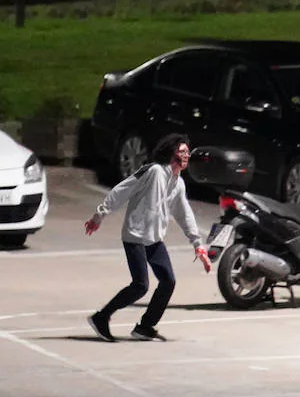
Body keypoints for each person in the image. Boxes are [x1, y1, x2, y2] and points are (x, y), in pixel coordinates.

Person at [84, 134, 211, 342]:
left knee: (168, 281)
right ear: (170, 153)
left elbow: (184, 213)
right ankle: (101, 318)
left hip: (154, 240)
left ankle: (145, 327)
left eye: (188, 151)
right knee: (140, 285)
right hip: (135, 235)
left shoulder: (178, 183)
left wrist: (198, 244)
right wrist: (99, 216)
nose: (187, 155)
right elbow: (121, 190)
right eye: (182, 151)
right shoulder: (153, 171)